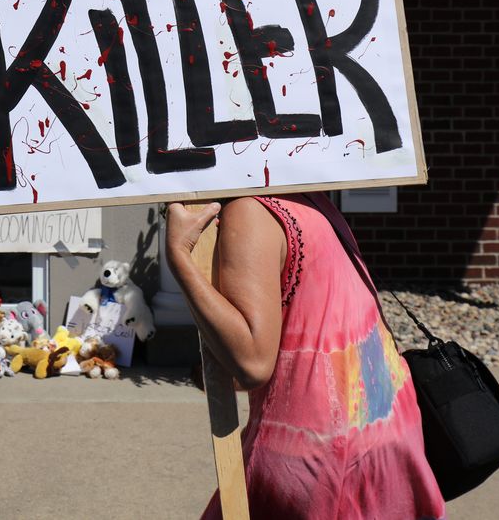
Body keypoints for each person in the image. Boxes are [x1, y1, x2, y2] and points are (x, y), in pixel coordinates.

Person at [166, 193, 445, 520]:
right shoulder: (315, 201)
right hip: (385, 435)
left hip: (315, 457)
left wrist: (179, 257)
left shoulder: (250, 211)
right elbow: (310, 329)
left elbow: (253, 364)